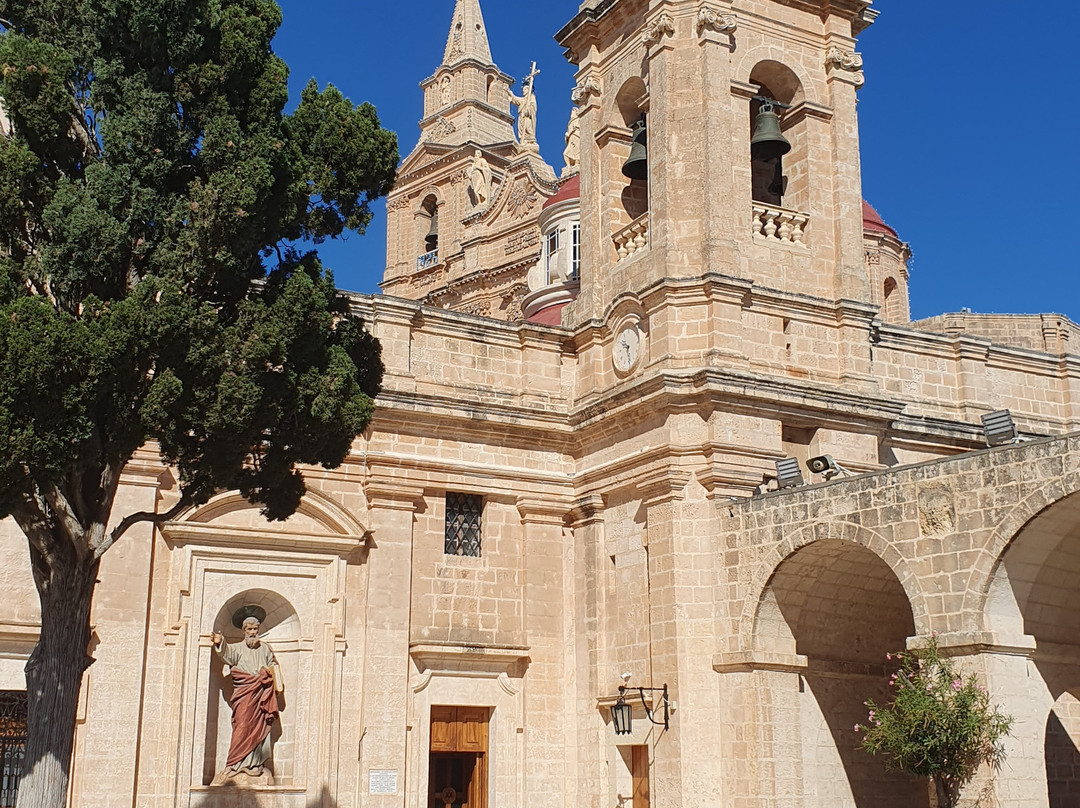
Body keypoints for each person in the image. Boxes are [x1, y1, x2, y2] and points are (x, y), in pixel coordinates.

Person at [212, 616, 281, 780]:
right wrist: (220, 642)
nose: (252, 633)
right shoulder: (236, 648)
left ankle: (255, 764)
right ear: (244, 631)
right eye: (249, 629)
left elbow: (273, 666)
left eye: (255, 629)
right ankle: (234, 764)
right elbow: (225, 654)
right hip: (244, 694)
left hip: (261, 694)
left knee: (259, 728)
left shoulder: (264, 648)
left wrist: (267, 674)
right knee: (242, 725)